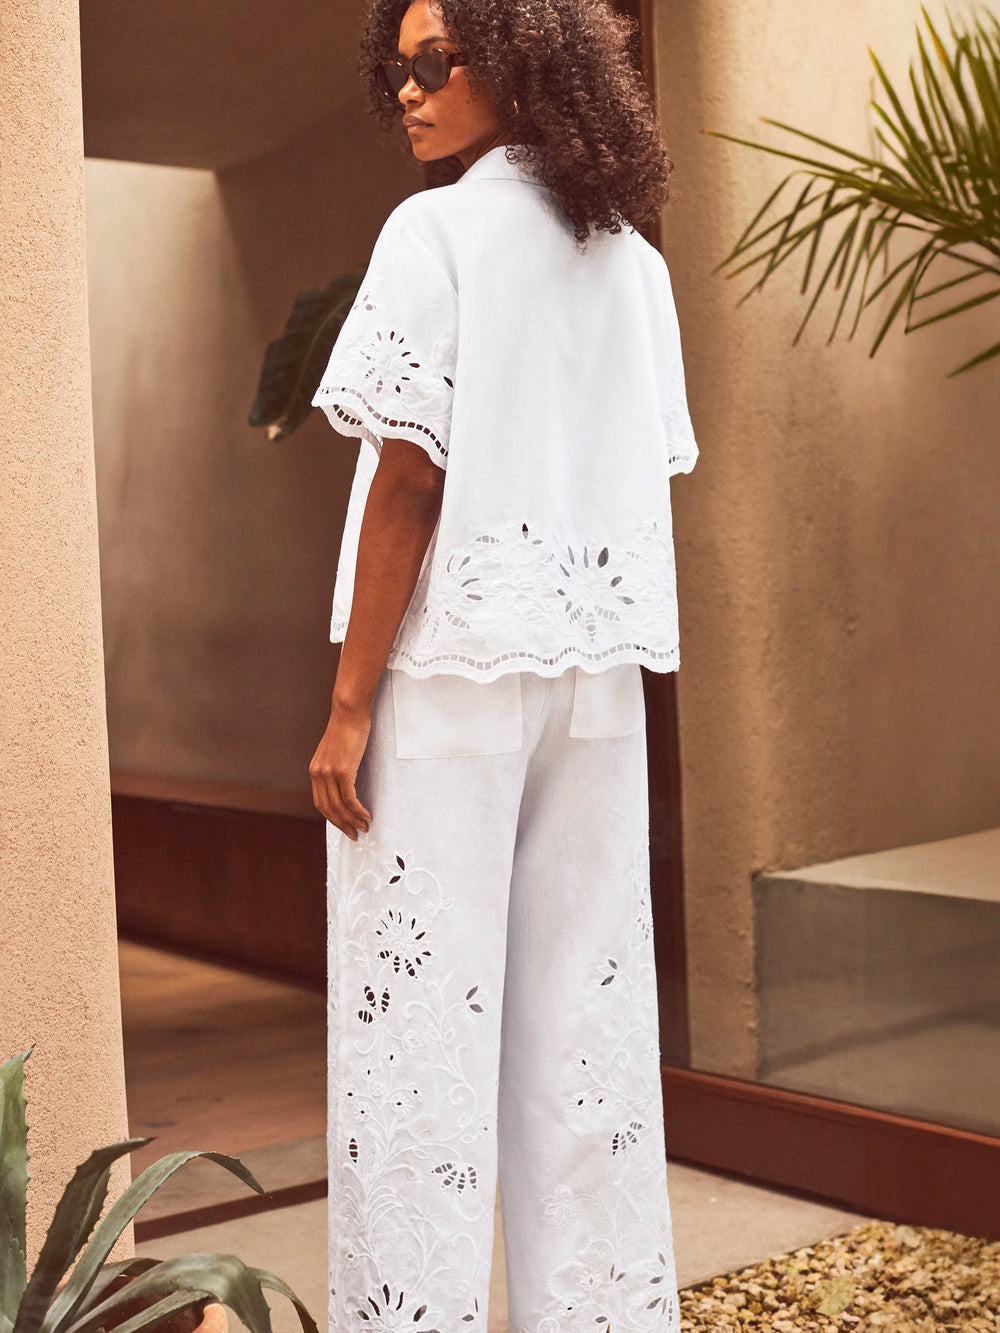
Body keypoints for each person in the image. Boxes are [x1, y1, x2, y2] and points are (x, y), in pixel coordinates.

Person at [308, 0, 698, 1326]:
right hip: (595, 687)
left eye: (435, 63)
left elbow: (409, 480)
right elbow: (640, 468)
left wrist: (348, 706)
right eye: (396, 70)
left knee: (417, 1034)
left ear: (522, 61)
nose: (408, 93)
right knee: (586, 1029)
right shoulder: (631, 261)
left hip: (450, 684)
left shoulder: (435, 235)